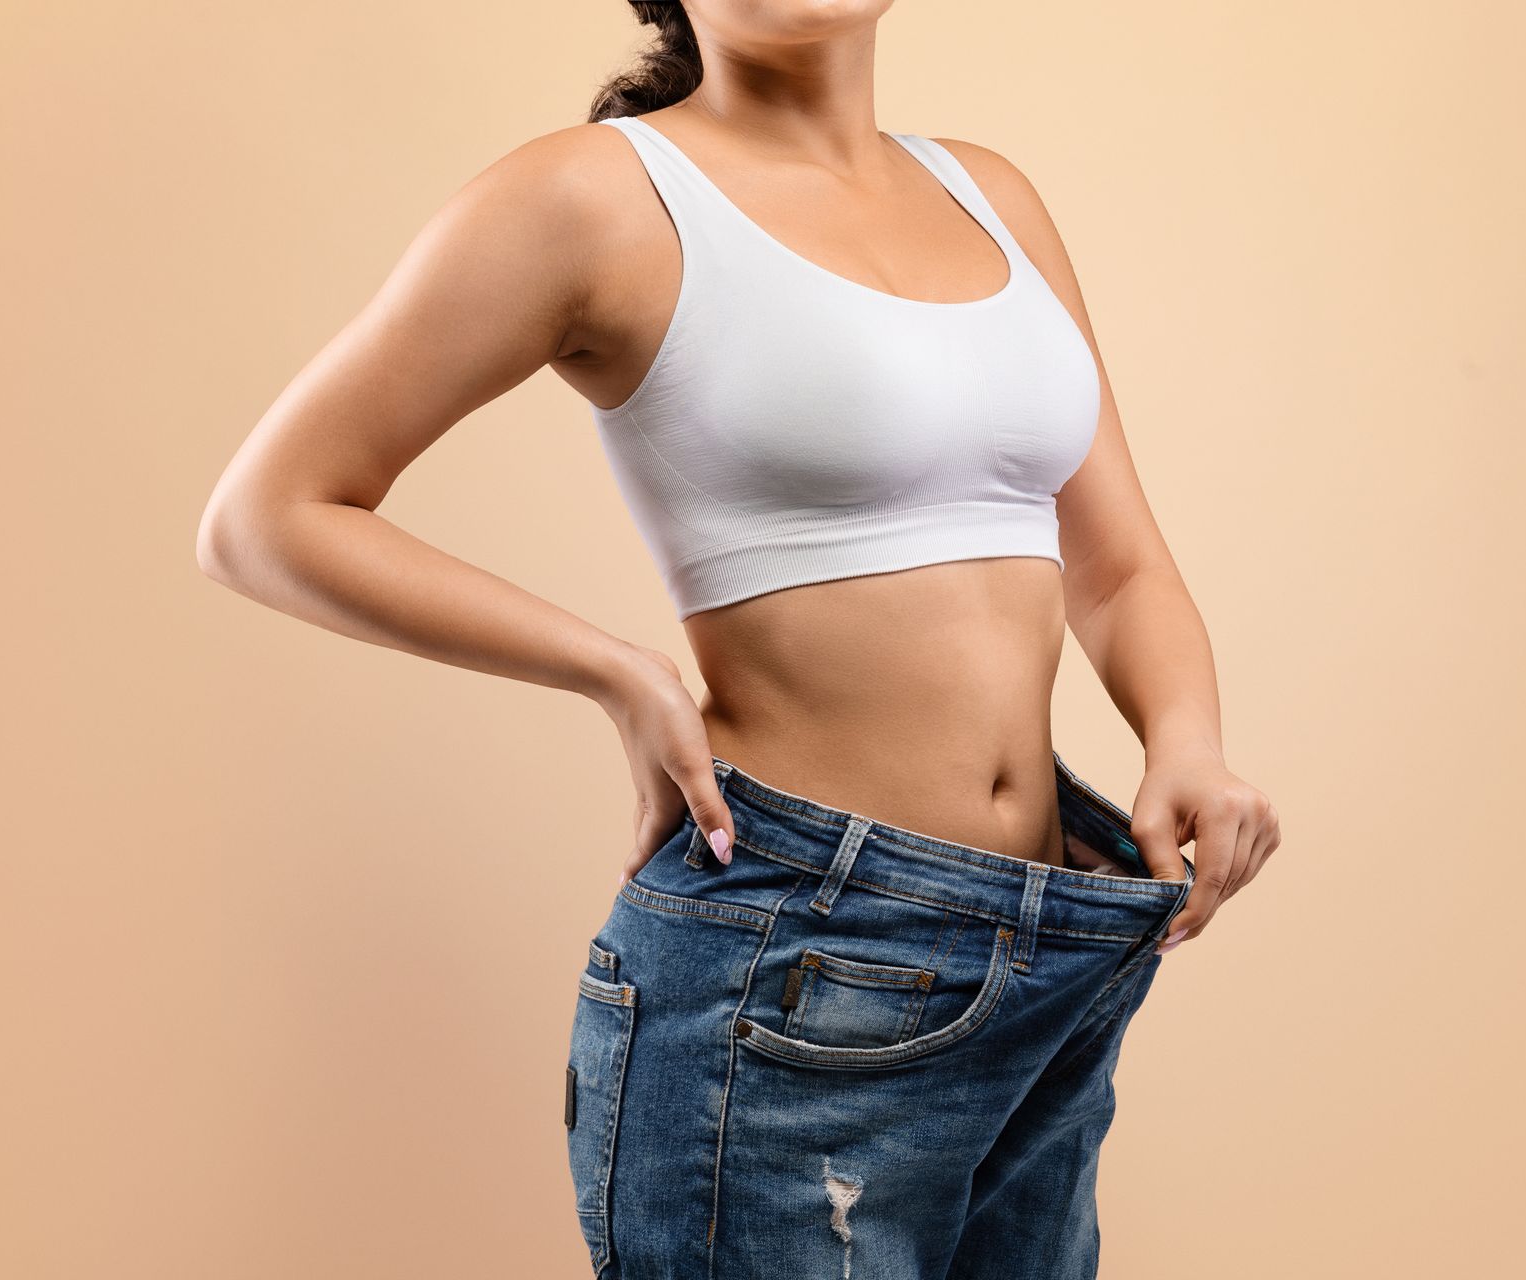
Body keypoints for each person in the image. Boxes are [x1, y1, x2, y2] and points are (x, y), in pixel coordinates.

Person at [196, 1, 1281, 1275]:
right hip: (791, 959)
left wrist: (1187, 737)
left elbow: (1118, 562)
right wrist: (617, 671)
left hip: (1053, 955)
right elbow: (265, 517)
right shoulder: (594, 198)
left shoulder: (990, 194)